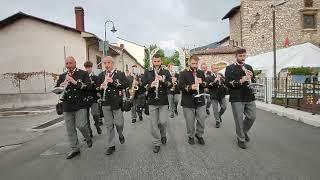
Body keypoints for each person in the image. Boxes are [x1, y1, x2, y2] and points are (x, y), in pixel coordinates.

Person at [55, 56, 93, 159]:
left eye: (70, 63)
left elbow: (89, 87)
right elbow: (57, 89)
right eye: (67, 64)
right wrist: (62, 86)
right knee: (70, 129)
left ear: (75, 63)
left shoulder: (83, 73)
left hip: (80, 104)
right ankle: (75, 149)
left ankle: (88, 137)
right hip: (67, 105)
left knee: (81, 125)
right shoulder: (62, 76)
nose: (69, 66)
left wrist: (74, 82)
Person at [97, 56, 129, 155]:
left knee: (119, 123)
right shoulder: (101, 75)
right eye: (105, 63)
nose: (106, 65)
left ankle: (120, 134)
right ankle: (111, 145)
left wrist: (113, 82)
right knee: (109, 125)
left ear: (112, 63)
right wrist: (100, 87)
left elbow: (126, 84)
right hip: (105, 102)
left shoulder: (120, 74)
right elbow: (97, 89)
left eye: (108, 63)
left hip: (116, 102)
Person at [225, 48, 256, 149]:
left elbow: (253, 81)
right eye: (240, 56)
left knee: (252, 117)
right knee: (238, 119)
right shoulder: (230, 68)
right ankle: (241, 138)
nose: (243, 58)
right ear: (236, 56)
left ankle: (244, 131)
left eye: (244, 56)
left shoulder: (249, 67)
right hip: (237, 97)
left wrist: (252, 77)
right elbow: (228, 83)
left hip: (249, 96)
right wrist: (241, 80)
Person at [142, 54, 172, 153]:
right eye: (155, 61)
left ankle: (163, 134)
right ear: (152, 61)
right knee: (153, 124)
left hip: (163, 101)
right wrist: (151, 85)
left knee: (162, 122)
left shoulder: (165, 71)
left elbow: (170, 84)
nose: (156, 63)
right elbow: (144, 85)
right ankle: (156, 142)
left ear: (161, 61)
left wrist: (162, 80)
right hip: (152, 100)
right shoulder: (148, 71)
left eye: (158, 61)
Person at [179, 55, 208, 145]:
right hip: (188, 101)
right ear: (189, 63)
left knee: (201, 120)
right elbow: (180, 86)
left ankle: (199, 135)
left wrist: (202, 82)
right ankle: (191, 136)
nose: (195, 65)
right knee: (190, 122)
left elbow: (206, 83)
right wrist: (190, 87)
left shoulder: (200, 72)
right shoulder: (183, 73)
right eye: (193, 63)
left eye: (196, 63)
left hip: (200, 100)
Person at [84, 61, 102, 136]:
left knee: (95, 114)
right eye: (86, 67)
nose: (88, 69)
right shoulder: (83, 77)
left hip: (94, 98)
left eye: (89, 67)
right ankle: (89, 132)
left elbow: (98, 88)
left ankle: (97, 125)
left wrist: (93, 84)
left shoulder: (95, 77)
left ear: (91, 68)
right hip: (85, 99)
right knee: (86, 117)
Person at [207, 64, 227, 128]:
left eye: (216, 68)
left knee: (224, 107)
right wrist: (215, 80)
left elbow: (226, 82)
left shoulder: (221, 75)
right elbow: (208, 86)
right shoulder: (209, 77)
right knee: (215, 109)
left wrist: (222, 80)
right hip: (214, 95)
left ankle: (219, 115)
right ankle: (217, 121)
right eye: (214, 69)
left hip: (221, 94)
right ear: (212, 69)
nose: (215, 70)